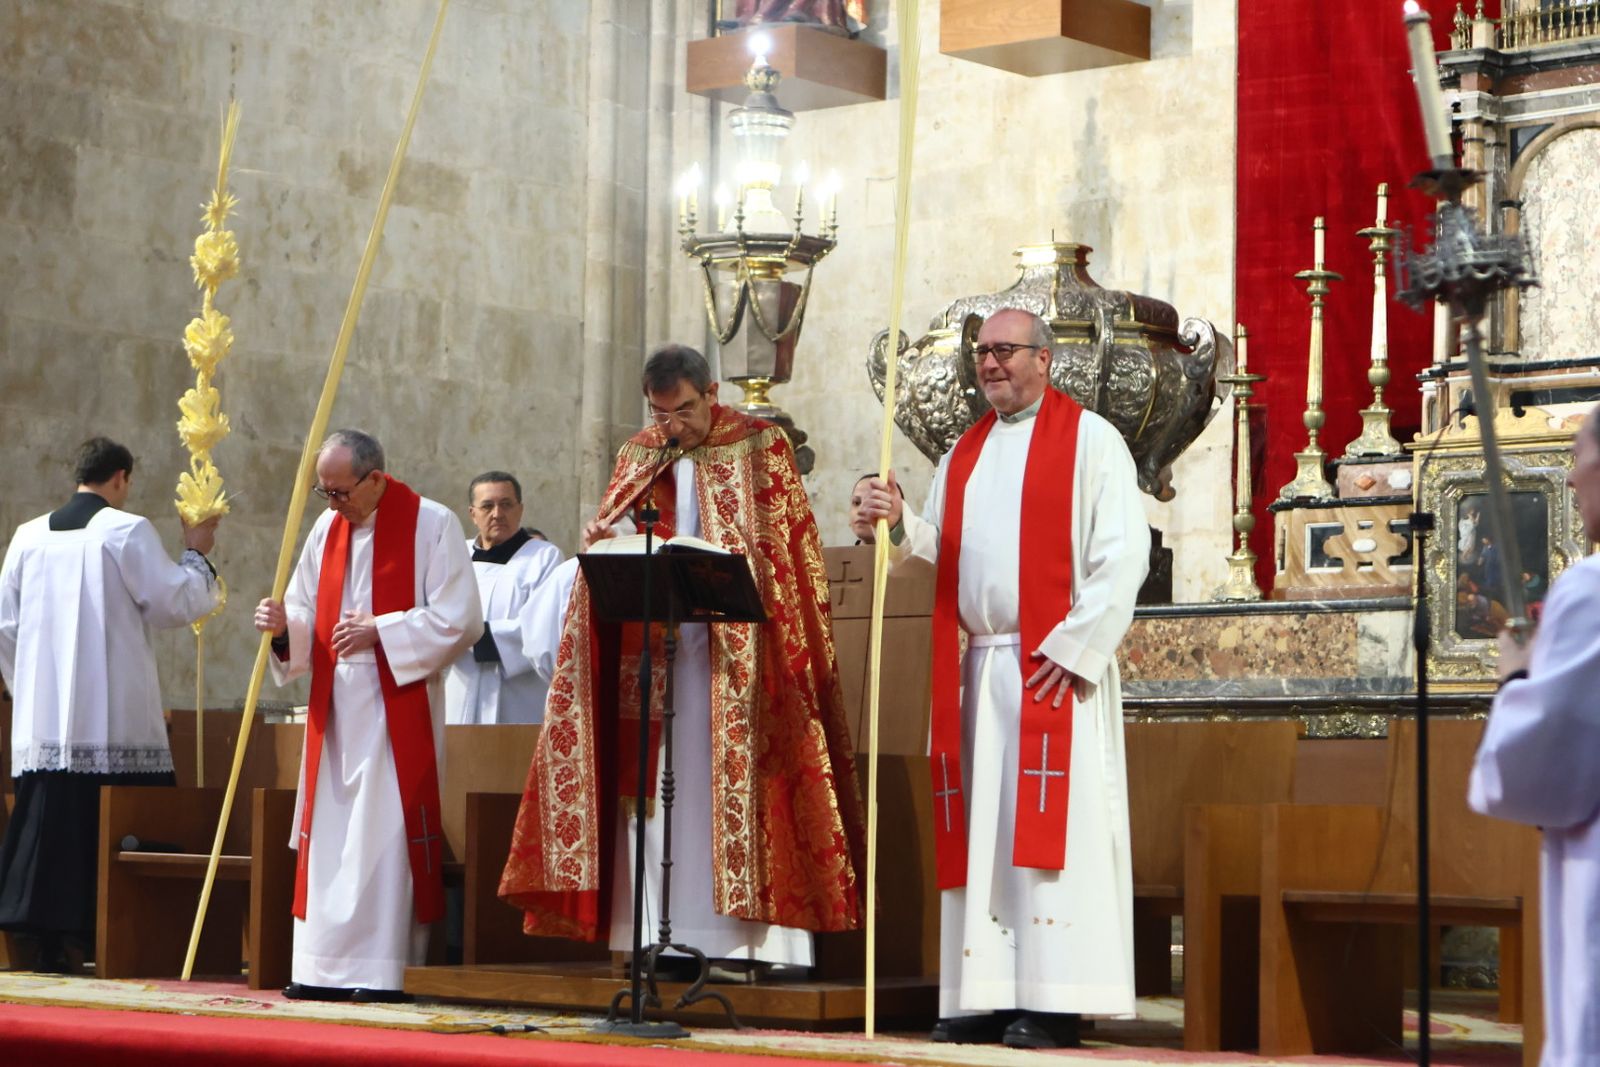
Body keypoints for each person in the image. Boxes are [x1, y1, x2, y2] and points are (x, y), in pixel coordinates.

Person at [500, 344, 865, 972]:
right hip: (658, 655)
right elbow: (617, 529)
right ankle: (655, 934)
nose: (672, 426)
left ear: (711, 391)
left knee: (731, 787)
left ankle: (747, 941)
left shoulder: (760, 447)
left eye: (684, 411)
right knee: (658, 790)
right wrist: (606, 540)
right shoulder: (641, 453)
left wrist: (717, 554)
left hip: (738, 657)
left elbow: (787, 557)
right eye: (660, 413)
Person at [858, 308, 1150, 1049]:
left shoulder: (1092, 441)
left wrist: (1075, 647)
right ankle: (982, 992)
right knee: (983, 837)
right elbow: (944, 550)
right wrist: (894, 522)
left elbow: (1123, 556)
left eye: (1005, 350)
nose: (989, 363)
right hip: (980, 667)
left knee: (1050, 837)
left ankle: (1054, 998)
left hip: (1052, 670)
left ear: (1044, 360)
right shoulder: (965, 451)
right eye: (981, 351)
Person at [253, 430, 481, 1002]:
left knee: (382, 836)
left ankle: (382, 971)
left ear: (377, 477)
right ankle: (318, 966)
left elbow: (460, 619)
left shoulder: (432, 523)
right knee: (329, 839)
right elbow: (305, 606)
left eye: (341, 492)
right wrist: (285, 628)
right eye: (324, 493)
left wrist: (382, 629)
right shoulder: (326, 528)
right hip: (334, 713)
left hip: (393, 707)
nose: (333, 504)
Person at [0, 437, 221, 973]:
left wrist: (28, 690)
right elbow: (174, 602)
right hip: (113, 721)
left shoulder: (26, 537)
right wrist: (197, 552)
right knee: (114, 820)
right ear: (120, 478)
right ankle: (112, 936)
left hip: (44, 723)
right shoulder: (125, 529)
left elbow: (6, 627)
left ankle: (44, 937)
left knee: (51, 824)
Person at [1469, 404, 1600, 1064]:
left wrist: (1515, 679)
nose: (1571, 479)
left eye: (1578, 455)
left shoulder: (1590, 593)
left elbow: (1541, 778)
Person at [444, 471, 562, 725]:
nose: (497, 514)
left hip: (517, 695)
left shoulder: (544, 557)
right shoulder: (455, 553)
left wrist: (473, 635)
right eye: (487, 506)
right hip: (459, 686)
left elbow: (541, 627)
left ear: (520, 510)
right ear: (472, 514)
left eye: (506, 504)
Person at [847, 471, 900, 545]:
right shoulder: (831, 556)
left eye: (872, 503)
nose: (860, 511)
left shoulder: (913, 555)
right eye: (856, 503)